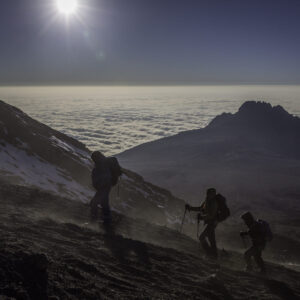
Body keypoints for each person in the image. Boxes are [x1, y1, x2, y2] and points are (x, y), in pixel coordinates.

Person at [186, 188, 219, 259]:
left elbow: (211, 215)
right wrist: (190, 208)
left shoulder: (213, 203)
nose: (208, 194)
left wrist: (201, 217)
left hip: (211, 223)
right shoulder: (207, 201)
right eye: (208, 193)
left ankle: (210, 254)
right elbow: (201, 208)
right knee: (211, 239)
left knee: (202, 237)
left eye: (209, 193)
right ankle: (213, 255)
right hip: (210, 223)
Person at [90, 151, 122, 223]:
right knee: (104, 203)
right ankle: (106, 220)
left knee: (94, 203)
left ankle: (94, 221)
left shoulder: (101, 164)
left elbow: (105, 176)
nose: (93, 160)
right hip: (106, 186)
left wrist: (100, 185)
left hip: (104, 186)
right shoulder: (104, 163)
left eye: (93, 158)